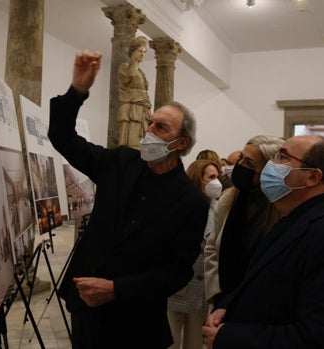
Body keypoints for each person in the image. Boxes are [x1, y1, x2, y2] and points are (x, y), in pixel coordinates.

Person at [48, 50, 209, 349]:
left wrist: (116, 289)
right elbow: (62, 137)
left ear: (181, 143)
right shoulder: (120, 162)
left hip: (136, 319)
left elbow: (177, 271)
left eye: (161, 128)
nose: (149, 132)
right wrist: (77, 91)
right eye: (150, 123)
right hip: (85, 303)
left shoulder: (192, 202)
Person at [202, 135, 324, 349]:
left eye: (282, 157)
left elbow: (321, 337)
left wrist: (229, 337)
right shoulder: (295, 219)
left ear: (313, 177)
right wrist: (229, 307)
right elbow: (269, 288)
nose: (270, 165)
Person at [204, 135, 283, 308]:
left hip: (259, 304)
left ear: (268, 171)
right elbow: (212, 248)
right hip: (223, 297)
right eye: (241, 158)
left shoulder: (280, 209)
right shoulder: (228, 200)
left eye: (249, 164)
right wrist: (217, 294)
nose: (240, 166)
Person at [167, 159, 222, 349]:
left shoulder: (218, 208)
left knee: (195, 344)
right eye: (212, 177)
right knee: (169, 341)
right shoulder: (180, 204)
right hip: (177, 286)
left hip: (202, 292)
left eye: (218, 176)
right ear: (198, 179)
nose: (217, 182)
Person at [117, 36, 151, 149]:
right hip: (131, 109)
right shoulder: (125, 66)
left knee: (139, 142)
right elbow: (129, 76)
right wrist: (134, 61)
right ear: (132, 51)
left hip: (141, 108)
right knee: (131, 143)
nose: (143, 54)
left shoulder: (140, 72)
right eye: (140, 51)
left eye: (144, 52)